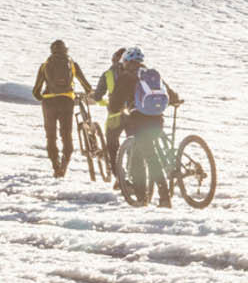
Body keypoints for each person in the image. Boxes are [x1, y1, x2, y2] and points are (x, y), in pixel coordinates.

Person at [93, 45, 181, 205]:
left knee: (148, 158)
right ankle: (148, 195)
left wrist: (118, 108)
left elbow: (114, 106)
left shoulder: (126, 77)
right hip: (157, 119)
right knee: (148, 155)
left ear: (126, 61)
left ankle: (161, 198)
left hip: (139, 121)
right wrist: (175, 101)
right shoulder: (151, 74)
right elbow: (171, 95)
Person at [31, 39, 90, 177]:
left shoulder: (45, 65)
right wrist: (86, 93)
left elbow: (35, 91)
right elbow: (86, 86)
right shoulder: (71, 64)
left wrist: (44, 98)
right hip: (66, 102)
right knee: (66, 134)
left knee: (51, 136)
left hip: (48, 103)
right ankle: (64, 165)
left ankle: (55, 166)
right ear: (66, 50)